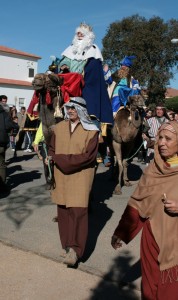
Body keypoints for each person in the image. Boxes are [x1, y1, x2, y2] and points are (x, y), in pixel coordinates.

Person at [111, 121, 178, 299]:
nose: (161, 143)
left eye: (168, 139)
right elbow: (137, 203)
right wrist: (122, 231)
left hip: (175, 243)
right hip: (152, 239)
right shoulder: (152, 170)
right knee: (149, 287)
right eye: (160, 138)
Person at [46, 97, 99, 266]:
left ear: (81, 110)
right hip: (60, 176)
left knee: (77, 212)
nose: (70, 111)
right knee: (63, 212)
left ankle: (76, 251)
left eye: (73, 109)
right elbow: (52, 149)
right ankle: (67, 246)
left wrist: (60, 159)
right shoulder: (58, 128)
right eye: (68, 108)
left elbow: (88, 156)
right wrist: (50, 157)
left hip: (81, 176)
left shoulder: (91, 131)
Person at [57, 22, 113, 126]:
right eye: (78, 33)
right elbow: (66, 59)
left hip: (85, 80)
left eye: (82, 33)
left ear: (88, 35)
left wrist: (83, 73)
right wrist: (64, 65)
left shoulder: (93, 49)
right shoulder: (71, 48)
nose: (79, 35)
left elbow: (93, 67)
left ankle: (91, 117)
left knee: (89, 94)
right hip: (70, 78)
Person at [0, 100, 18, 192]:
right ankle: (2, 186)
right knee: (2, 164)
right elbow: (14, 126)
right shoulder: (5, 115)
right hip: (2, 143)